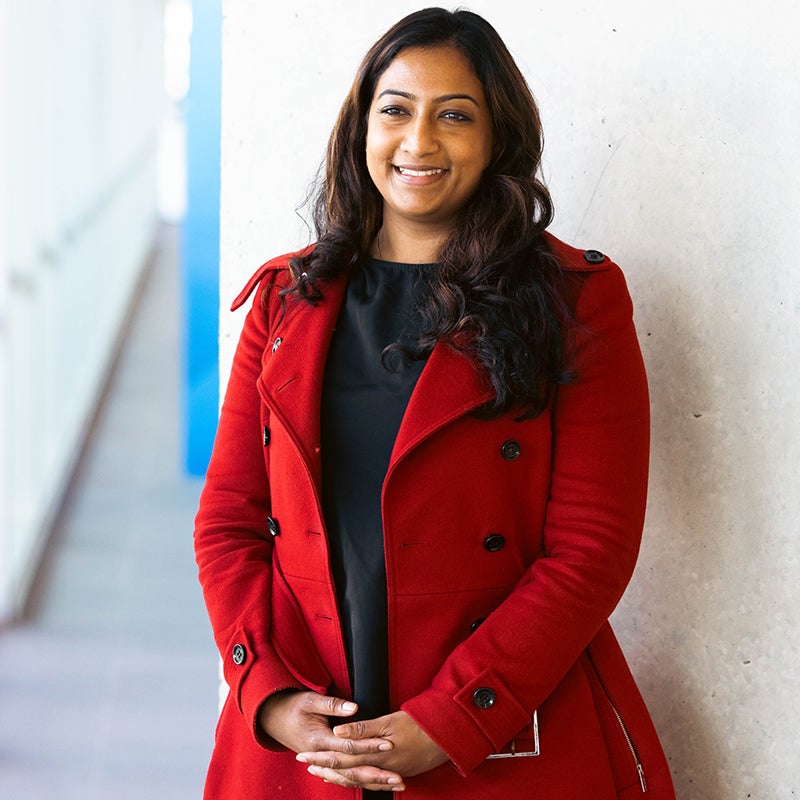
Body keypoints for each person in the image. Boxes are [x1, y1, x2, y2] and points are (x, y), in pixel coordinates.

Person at [194, 7, 675, 798]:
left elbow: (591, 550)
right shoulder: (288, 299)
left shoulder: (576, 301)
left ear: (497, 141)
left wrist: (454, 720)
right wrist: (268, 695)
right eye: (396, 110)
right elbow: (229, 521)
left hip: (504, 735)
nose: (419, 142)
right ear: (361, 129)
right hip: (305, 745)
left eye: (455, 115)